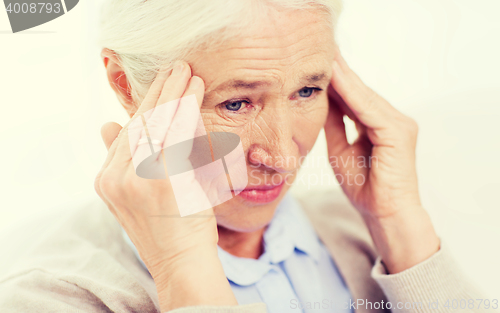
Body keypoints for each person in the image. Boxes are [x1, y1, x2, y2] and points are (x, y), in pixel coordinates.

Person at [0, 0, 488, 312]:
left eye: (306, 89)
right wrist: (183, 270)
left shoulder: (363, 231)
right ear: (125, 84)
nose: (279, 157)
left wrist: (402, 229)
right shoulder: (51, 299)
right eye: (236, 103)